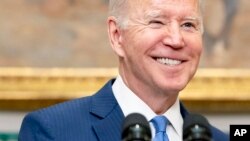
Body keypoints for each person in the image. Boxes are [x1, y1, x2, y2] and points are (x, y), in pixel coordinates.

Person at [18, 0, 229, 141]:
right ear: (117, 35)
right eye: (156, 22)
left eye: (188, 25)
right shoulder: (52, 131)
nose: (176, 40)